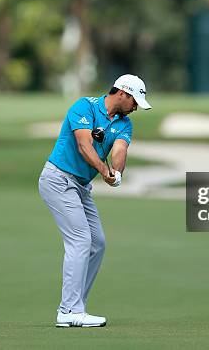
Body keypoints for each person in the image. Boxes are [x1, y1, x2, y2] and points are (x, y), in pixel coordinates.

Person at [38, 74, 152, 327]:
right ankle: (68, 310)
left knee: (97, 243)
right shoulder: (84, 106)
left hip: (80, 186)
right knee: (80, 240)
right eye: (135, 100)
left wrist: (117, 172)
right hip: (57, 179)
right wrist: (103, 170)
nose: (136, 107)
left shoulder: (125, 124)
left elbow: (120, 150)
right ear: (122, 93)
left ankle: (76, 307)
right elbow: (83, 144)